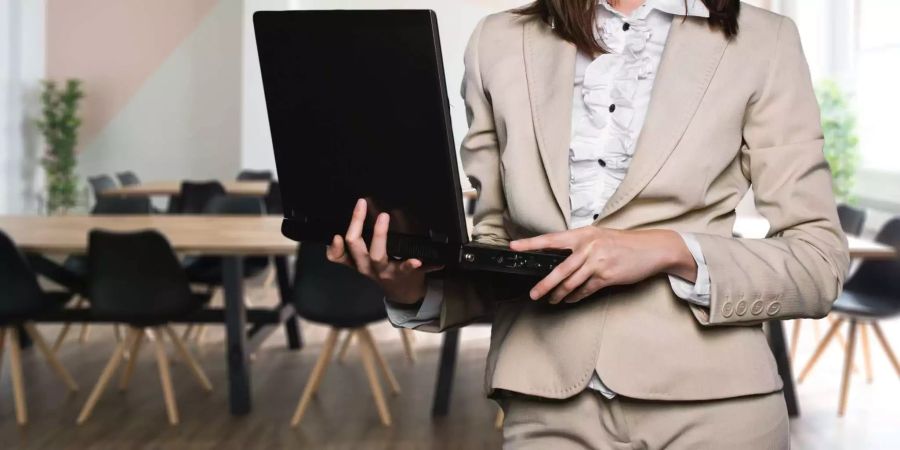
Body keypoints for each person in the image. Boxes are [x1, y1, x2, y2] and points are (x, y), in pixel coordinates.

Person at [327, 0, 850, 448]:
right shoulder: (499, 42)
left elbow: (818, 262)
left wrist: (668, 249)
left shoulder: (765, 41)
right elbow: (499, 253)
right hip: (545, 402)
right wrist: (410, 284)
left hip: (717, 404)